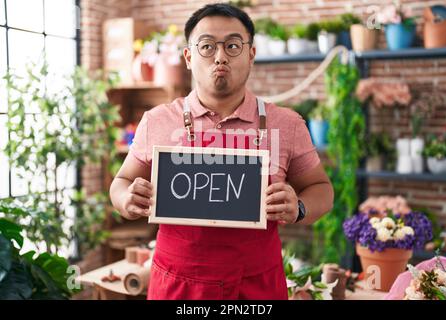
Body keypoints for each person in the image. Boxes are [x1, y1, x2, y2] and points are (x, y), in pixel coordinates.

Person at [110, 3, 334, 300]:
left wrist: (300, 208)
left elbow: (321, 189)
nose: (220, 56)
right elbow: (120, 183)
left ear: (251, 54)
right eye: (206, 46)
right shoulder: (157, 120)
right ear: (189, 57)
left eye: (232, 45)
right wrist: (127, 198)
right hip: (177, 283)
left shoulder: (287, 124)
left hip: (256, 283)